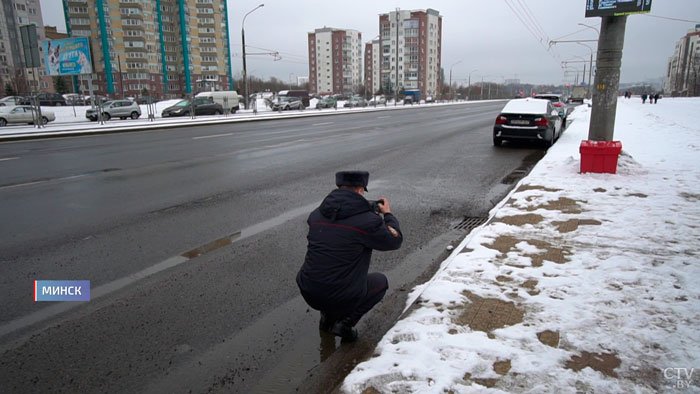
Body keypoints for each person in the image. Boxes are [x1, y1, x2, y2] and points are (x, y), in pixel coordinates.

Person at [296, 171, 403, 341]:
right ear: (361, 190)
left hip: (309, 289)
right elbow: (394, 240)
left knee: (329, 271)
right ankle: (345, 324)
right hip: (339, 294)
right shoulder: (368, 221)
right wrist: (387, 214)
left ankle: (326, 320)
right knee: (380, 282)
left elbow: (340, 225)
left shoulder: (316, 215)